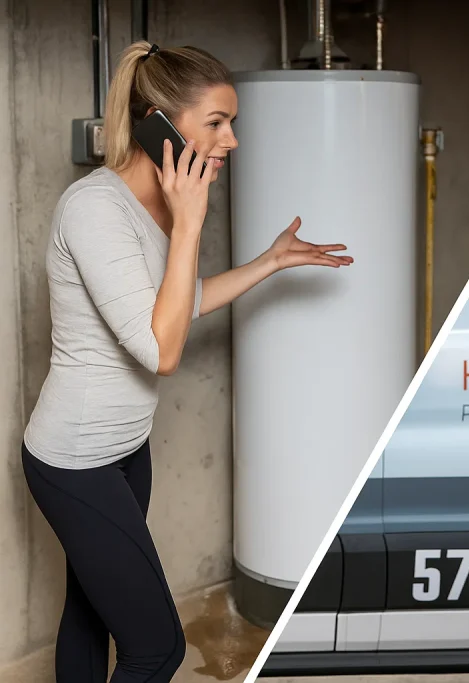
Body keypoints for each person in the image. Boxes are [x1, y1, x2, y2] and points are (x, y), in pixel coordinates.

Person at [20, 41, 352, 682]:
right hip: (75, 460)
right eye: (216, 123)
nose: (231, 140)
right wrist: (191, 223)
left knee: (91, 611)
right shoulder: (95, 209)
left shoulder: (155, 210)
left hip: (125, 451)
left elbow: (171, 308)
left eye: (233, 124)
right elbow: (162, 350)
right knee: (157, 650)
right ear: (158, 121)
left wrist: (270, 263)